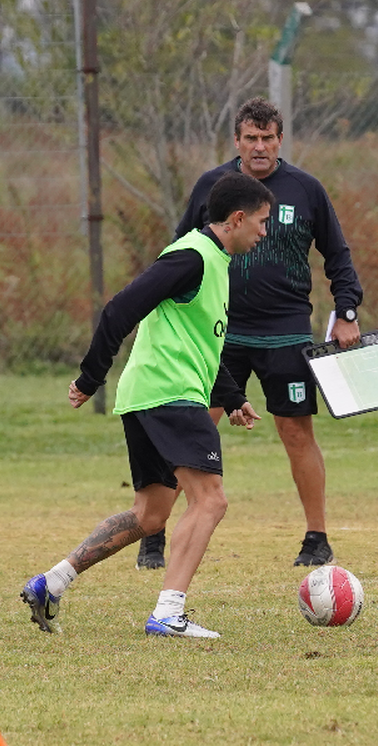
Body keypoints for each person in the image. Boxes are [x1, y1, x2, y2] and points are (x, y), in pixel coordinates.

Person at [21, 172, 274, 639]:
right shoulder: (190, 257)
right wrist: (90, 376)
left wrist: (233, 396)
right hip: (168, 394)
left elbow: (199, 341)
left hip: (152, 395)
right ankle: (168, 613)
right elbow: (119, 310)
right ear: (237, 218)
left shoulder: (215, 261)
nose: (264, 232)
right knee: (210, 500)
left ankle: (50, 583)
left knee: (149, 515)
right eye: (261, 222)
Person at [135, 96, 364, 571]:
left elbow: (337, 255)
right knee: (193, 431)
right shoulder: (212, 187)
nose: (260, 147)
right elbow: (178, 250)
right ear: (237, 141)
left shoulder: (305, 189)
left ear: (281, 140)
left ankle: (316, 537)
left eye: (268, 138)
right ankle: (152, 532)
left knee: (296, 432)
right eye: (251, 138)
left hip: (285, 334)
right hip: (217, 334)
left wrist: (346, 310)